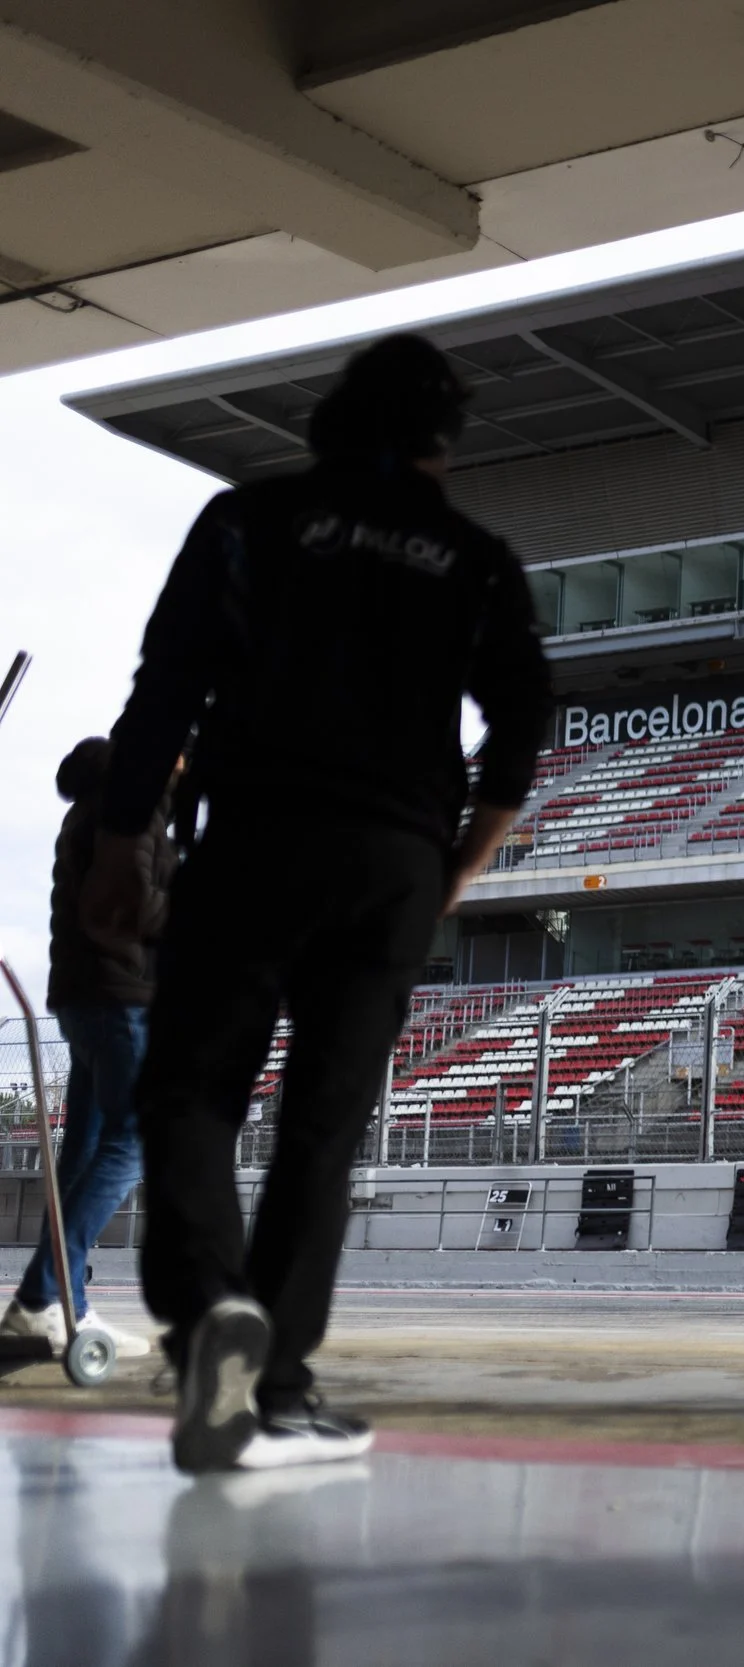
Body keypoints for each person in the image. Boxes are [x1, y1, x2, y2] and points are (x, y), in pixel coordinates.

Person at [85, 333, 551, 1473]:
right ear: (444, 440)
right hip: (391, 851)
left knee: (188, 1090)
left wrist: (116, 837)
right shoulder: (474, 555)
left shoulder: (247, 521)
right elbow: (524, 723)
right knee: (323, 1130)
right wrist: (458, 864)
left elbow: (165, 688)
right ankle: (276, 1390)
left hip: (254, 834)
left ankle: (209, 1314)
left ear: (326, 423)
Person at [0, 740, 174, 1355]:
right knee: (131, 1141)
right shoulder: (126, 812)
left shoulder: (89, 813)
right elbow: (128, 903)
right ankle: (41, 1296)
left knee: (85, 1153)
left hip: (86, 997)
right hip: (119, 997)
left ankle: (63, 1305)